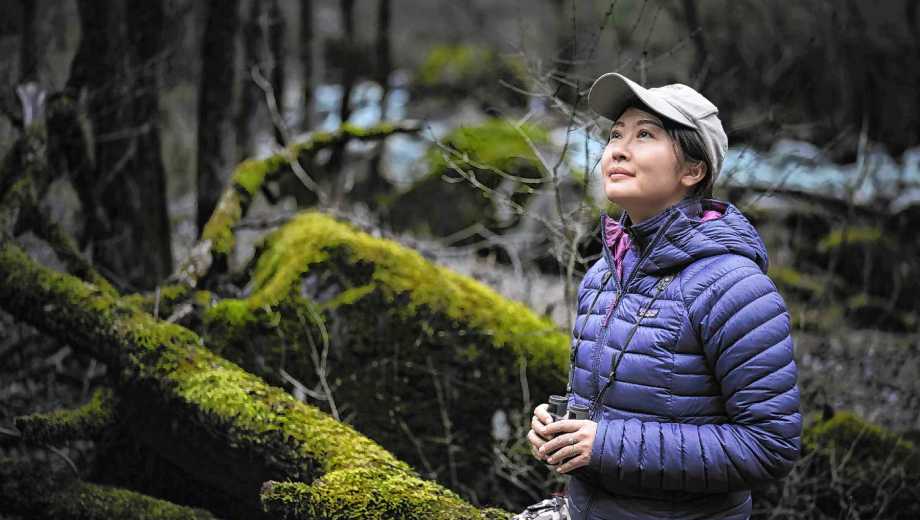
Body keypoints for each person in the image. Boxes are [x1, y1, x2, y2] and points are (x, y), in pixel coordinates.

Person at [525, 72, 802, 520]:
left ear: (693, 170)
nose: (617, 148)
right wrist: (560, 429)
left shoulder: (734, 287)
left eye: (645, 134)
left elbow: (770, 445)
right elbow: (619, 404)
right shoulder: (602, 275)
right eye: (615, 135)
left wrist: (606, 444)